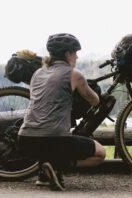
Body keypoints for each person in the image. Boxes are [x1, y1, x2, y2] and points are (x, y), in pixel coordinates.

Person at [17, 33, 106, 191]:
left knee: (49, 143)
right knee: (100, 153)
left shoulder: (38, 73)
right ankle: (58, 166)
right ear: (67, 54)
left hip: (25, 141)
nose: (77, 57)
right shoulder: (74, 75)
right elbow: (94, 100)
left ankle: (44, 174)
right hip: (54, 141)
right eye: (75, 52)